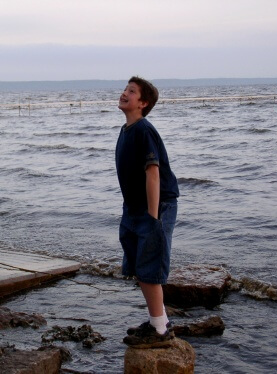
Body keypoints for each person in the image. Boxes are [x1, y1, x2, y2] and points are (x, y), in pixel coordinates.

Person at [115, 76, 179, 348]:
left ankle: (161, 331)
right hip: (134, 208)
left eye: (131, 91)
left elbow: (153, 174)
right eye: (125, 89)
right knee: (140, 267)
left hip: (156, 206)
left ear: (143, 103)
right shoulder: (126, 129)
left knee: (150, 267)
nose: (124, 93)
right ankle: (157, 322)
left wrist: (153, 218)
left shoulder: (144, 130)